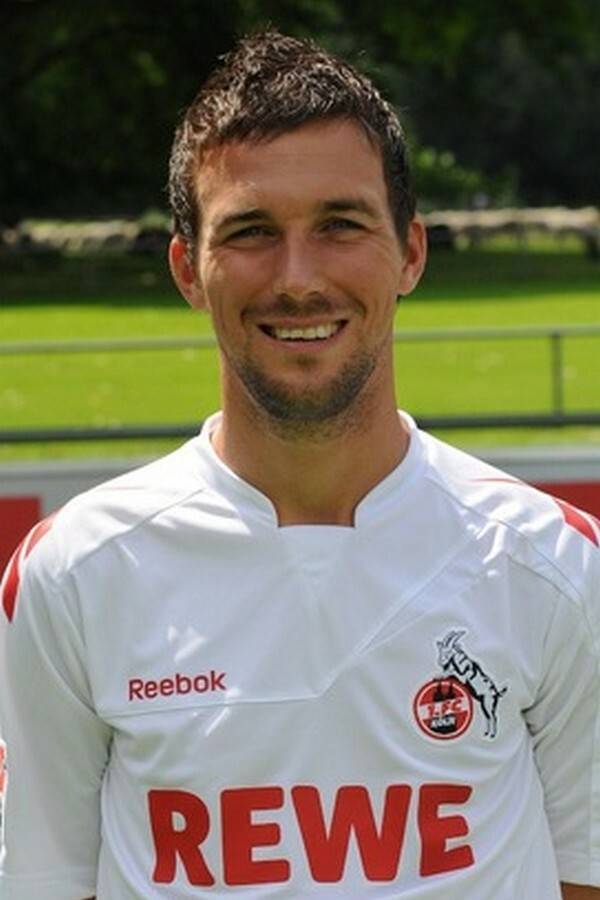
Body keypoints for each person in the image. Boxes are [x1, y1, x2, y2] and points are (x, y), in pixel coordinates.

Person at [0, 30, 599, 900]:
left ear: (410, 253)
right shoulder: (73, 573)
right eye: (250, 231)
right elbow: (43, 881)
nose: (297, 277)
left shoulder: (556, 565)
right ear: (188, 270)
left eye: (340, 225)